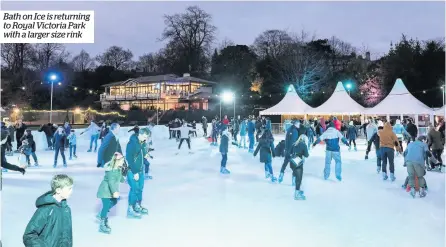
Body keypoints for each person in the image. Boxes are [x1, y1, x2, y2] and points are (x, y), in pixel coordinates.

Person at [23, 174, 73, 247]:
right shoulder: (46, 209)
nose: (71, 191)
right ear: (58, 190)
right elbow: (29, 235)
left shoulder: (66, 209)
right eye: (69, 189)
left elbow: (67, 236)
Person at [96, 152, 127, 233]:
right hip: (105, 191)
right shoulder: (111, 171)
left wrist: (124, 180)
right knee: (106, 206)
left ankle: (102, 213)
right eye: (121, 161)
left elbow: (119, 177)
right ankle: (102, 224)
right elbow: (111, 182)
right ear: (116, 161)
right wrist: (115, 192)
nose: (123, 162)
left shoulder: (118, 169)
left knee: (114, 201)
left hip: (110, 191)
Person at [125, 127, 150, 218]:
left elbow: (142, 151)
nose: (145, 138)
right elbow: (129, 158)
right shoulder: (132, 143)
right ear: (139, 134)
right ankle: (130, 209)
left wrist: (145, 154)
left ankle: (137, 205)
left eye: (147, 137)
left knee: (140, 189)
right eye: (144, 136)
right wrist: (135, 172)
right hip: (132, 170)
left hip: (140, 169)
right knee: (134, 189)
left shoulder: (142, 142)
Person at [278, 119, 300, 183]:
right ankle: (294, 180)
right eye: (298, 124)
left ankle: (281, 174)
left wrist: (287, 150)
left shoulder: (289, 129)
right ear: (295, 124)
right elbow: (292, 142)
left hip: (287, 150)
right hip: (292, 151)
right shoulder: (295, 131)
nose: (299, 125)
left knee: (285, 163)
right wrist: (292, 152)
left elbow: (287, 141)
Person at [289, 135, 309, 200]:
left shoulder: (294, 144)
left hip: (292, 162)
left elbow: (289, 152)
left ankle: (297, 189)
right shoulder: (304, 145)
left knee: (296, 175)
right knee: (299, 179)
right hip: (298, 163)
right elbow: (306, 155)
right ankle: (296, 194)